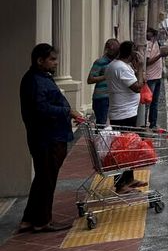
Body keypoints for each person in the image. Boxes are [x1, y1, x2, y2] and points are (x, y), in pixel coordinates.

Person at [18, 44, 84, 233]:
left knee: (42, 178)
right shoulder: (35, 81)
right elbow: (41, 109)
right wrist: (67, 111)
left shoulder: (41, 78)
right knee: (47, 179)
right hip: (47, 138)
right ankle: (42, 221)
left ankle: (29, 218)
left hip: (50, 136)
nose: (56, 63)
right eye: (52, 59)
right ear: (40, 60)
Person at [105, 41, 146, 193]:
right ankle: (121, 184)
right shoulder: (121, 67)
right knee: (123, 150)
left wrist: (136, 69)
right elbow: (137, 87)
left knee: (127, 148)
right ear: (132, 53)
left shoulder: (117, 65)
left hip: (123, 112)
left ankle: (129, 179)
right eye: (137, 51)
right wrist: (141, 67)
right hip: (124, 114)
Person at [86, 39, 120, 125]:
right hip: (101, 98)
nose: (115, 52)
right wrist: (106, 76)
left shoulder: (116, 62)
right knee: (102, 123)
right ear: (108, 49)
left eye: (116, 49)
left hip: (112, 97)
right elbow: (90, 79)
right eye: (113, 49)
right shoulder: (100, 62)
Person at [145, 28, 167, 129]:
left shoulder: (156, 44)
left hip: (157, 76)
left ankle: (153, 123)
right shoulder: (148, 45)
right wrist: (160, 56)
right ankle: (145, 123)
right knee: (148, 102)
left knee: (155, 102)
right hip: (150, 77)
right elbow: (147, 62)